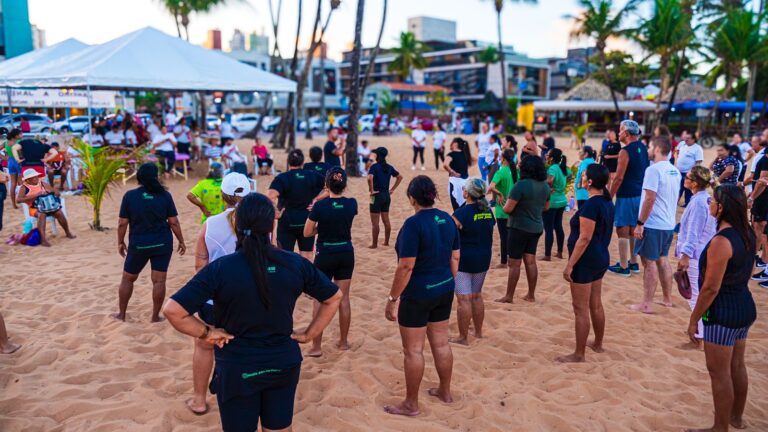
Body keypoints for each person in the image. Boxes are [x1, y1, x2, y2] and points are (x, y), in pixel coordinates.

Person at [164, 193, 342, 432]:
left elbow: (173, 310)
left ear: (236, 225)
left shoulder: (221, 269)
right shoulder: (294, 263)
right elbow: (334, 297)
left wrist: (207, 333)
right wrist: (310, 333)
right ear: (271, 226)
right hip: (283, 361)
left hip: (239, 366)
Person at [384, 176, 458, 416]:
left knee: (413, 350)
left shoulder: (413, 225)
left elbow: (406, 266)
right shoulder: (447, 219)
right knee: (441, 343)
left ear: (412, 199)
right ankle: (445, 392)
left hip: (418, 293)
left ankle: (411, 404)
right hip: (444, 287)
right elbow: (455, 257)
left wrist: (392, 299)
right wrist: (449, 283)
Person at [684, 185, 756, 432]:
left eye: (712, 201)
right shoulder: (747, 233)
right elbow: (747, 271)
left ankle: (720, 427)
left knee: (719, 372)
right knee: (737, 365)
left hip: (723, 312)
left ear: (722, 207)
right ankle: (736, 418)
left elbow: (710, 288)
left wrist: (694, 319)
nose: (709, 204)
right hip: (743, 305)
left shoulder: (721, 241)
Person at [186, 172, 251, 416]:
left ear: (222, 195)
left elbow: (200, 265)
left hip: (216, 297)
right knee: (245, 344)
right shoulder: (261, 221)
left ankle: (199, 400)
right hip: (250, 296)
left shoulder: (211, 223)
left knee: (204, 345)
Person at [114, 163, 185, 322]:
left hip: (138, 244)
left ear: (139, 177)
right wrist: (181, 240)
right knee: (159, 281)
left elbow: (122, 223)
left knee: (128, 279)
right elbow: (173, 222)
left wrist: (120, 241)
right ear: (156, 177)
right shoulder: (165, 195)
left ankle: (122, 314)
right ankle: (155, 316)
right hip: (162, 244)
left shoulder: (130, 196)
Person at [558, 164, 614, 363]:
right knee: (595, 304)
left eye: (583, 175)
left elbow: (584, 238)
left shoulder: (592, 205)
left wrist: (570, 264)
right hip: (600, 257)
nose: (580, 177)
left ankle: (579, 354)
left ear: (589, 182)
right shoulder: (607, 202)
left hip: (586, 260)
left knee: (580, 308)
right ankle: (597, 343)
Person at [304, 167, 357, 356]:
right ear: (344, 184)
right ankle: (343, 342)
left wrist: (320, 227)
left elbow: (307, 232)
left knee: (320, 299)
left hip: (325, 253)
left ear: (326, 185)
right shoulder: (352, 203)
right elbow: (341, 216)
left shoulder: (320, 207)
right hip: (345, 252)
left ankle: (316, 347)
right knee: (344, 298)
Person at [631, 136, 681, 314]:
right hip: (668, 223)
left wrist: (640, 223)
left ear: (658, 149)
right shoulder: (674, 170)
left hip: (653, 223)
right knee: (662, 259)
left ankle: (646, 303)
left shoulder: (653, 170)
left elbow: (650, 198)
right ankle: (667, 299)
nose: (648, 150)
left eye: (650, 147)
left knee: (649, 262)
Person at [496, 156, 550, 303]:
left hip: (519, 227)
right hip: (536, 227)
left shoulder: (520, 185)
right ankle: (531, 295)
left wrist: (501, 203)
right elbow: (546, 207)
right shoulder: (545, 186)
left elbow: (507, 209)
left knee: (514, 263)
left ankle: (509, 296)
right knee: (530, 261)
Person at [676, 166, 717, 344]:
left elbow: (694, 232)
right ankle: (702, 330)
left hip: (696, 254)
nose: (684, 179)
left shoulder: (700, 202)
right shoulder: (705, 199)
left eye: (688, 177)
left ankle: (699, 334)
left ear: (694, 183)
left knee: (694, 295)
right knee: (698, 294)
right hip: (702, 252)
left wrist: (685, 255)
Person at [450, 178, 495, 345]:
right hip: (484, 257)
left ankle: (462, 337)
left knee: (464, 299)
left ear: (467, 193)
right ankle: (478, 332)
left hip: (465, 259)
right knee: (476, 296)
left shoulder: (461, 214)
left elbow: (450, 235)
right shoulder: (488, 210)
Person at [267, 149, 326, 261]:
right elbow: (330, 187)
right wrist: (317, 199)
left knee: (284, 257)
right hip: (306, 221)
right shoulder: (312, 175)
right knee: (307, 257)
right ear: (303, 163)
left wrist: (275, 211)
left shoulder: (282, 178)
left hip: (287, 221)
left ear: (288, 162)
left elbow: (270, 196)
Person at [608, 120, 649, 277]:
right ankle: (633, 262)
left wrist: (609, 197)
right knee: (632, 228)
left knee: (622, 229)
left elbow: (618, 178)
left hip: (626, 194)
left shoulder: (625, 151)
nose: (618, 133)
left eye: (620, 130)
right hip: (640, 193)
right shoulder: (643, 147)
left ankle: (624, 266)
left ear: (626, 133)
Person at [16, 168, 76, 246]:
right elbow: (18, 200)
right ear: (27, 180)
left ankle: (67, 232)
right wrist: (36, 195)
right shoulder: (24, 187)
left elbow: (55, 192)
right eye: (33, 177)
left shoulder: (42, 183)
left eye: (36, 176)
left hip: (48, 206)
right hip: (33, 208)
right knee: (42, 214)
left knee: (59, 212)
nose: (36, 178)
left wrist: (53, 192)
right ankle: (43, 239)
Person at [367, 147, 403, 249]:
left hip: (376, 195)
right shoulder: (389, 167)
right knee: (386, 220)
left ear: (377, 155)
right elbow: (400, 177)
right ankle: (386, 242)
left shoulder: (374, 166)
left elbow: (369, 178)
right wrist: (392, 189)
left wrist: (371, 190)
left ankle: (374, 244)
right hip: (386, 195)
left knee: (375, 222)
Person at [488, 149, 515, 268]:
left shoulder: (500, 172)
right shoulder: (515, 171)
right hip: (513, 207)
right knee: (511, 235)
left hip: (502, 208)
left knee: (503, 237)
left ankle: (504, 262)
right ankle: (511, 257)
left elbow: (491, 187)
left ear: (503, 158)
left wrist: (499, 193)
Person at [543, 148, 570, 261]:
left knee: (549, 228)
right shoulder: (563, 167)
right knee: (558, 226)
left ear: (552, 158)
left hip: (552, 201)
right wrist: (560, 187)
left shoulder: (553, 168)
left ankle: (547, 255)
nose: (546, 156)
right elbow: (569, 175)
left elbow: (549, 180)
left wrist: (546, 185)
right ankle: (559, 253)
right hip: (562, 200)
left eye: (548, 155)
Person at [676, 131, 704, 207]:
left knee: (688, 189)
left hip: (689, 173)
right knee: (678, 188)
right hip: (679, 171)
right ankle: (675, 202)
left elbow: (699, 162)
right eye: (685, 138)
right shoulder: (682, 145)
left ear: (694, 139)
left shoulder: (697, 148)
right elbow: (678, 153)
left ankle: (688, 203)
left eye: (688, 138)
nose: (686, 139)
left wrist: (692, 173)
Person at [444, 137, 473, 211]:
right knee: (464, 204)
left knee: (456, 206)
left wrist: (452, 171)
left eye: (452, 142)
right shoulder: (465, 154)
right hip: (466, 182)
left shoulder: (451, 154)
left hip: (455, 182)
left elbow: (445, 165)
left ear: (455, 144)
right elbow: (474, 160)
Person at [4, 129, 23, 208]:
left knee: (13, 183)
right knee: (22, 183)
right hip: (19, 161)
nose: (22, 135)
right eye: (20, 134)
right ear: (16, 135)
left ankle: (13, 204)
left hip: (10, 162)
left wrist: (4, 157)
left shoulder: (6, 142)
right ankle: (22, 201)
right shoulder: (19, 142)